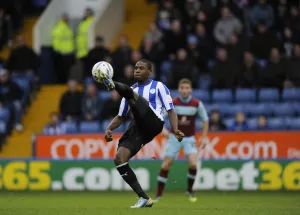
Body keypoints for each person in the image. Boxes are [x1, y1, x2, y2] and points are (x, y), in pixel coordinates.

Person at [98, 59, 184, 208]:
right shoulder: (130, 90)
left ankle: (112, 83)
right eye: (136, 68)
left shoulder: (158, 87)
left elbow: (170, 110)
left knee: (132, 96)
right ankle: (143, 198)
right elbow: (121, 116)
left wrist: (175, 129)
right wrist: (109, 129)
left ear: (150, 71)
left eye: (141, 68)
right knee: (119, 158)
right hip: (138, 127)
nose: (137, 70)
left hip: (154, 122)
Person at [154, 78, 209, 203]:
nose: (184, 90)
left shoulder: (196, 103)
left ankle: (189, 191)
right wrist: (163, 130)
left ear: (191, 90)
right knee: (166, 165)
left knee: (193, 164)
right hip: (174, 138)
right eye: (182, 88)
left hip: (189, 138)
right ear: (179, 89)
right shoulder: (172, 103)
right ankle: (158, 195)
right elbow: (159, 118)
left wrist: (204, 137)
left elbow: (205, 120)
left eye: (187, 88)